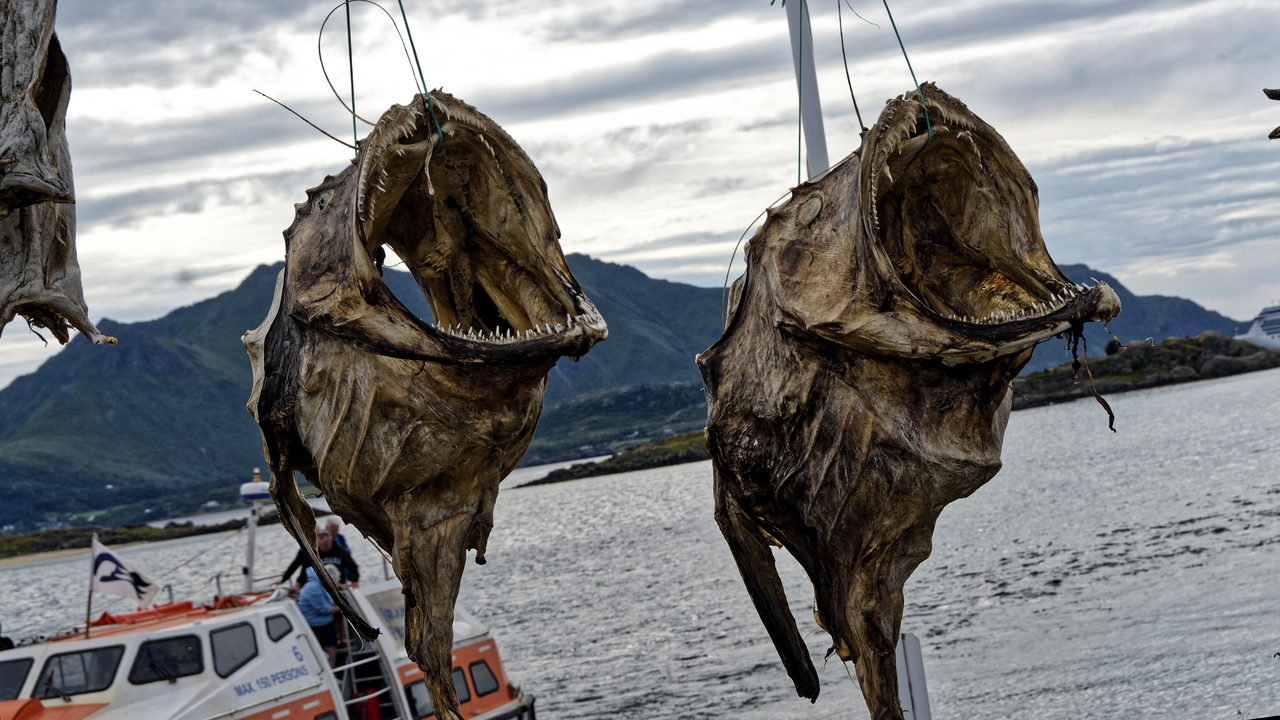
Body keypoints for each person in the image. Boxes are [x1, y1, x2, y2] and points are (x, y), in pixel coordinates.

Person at [280, 523, 360, 588]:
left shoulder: (341, 551)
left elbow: (353, 566)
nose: (325, 548)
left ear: (331, 541)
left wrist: (354, 580)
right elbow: (300, 567)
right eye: (322, 546)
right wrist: (297, 582)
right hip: (319, 585)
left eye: (326, 545)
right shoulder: (311, 553)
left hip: (338, 583)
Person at [298, 565, 341, 665]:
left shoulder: (323, 585)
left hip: (327, 624)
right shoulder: (312, 587)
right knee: (317, 656)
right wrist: (343, 607)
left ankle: (333, 675)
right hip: (313, 626)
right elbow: (323, 609)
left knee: (331, 653)